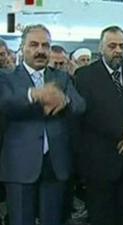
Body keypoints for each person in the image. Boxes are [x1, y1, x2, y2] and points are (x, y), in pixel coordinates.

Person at [0, 24, 86, 225]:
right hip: (20, 165)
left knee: (53, 220)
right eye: (34, 44)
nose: (40, 50)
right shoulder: (6, 77)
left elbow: (80, 105)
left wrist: (64, 100)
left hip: (55, 164)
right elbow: (5, 103)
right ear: (23, 48)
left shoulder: (61, 77)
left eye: (45, 45)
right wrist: (34, 94)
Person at [75, 25, 123, 225]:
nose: (118, 50)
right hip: (100, 162)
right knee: (102, 216)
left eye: (122, 45)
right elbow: (90, 114)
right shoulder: (85, 76)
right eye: (112, 46)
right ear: (101, 48)